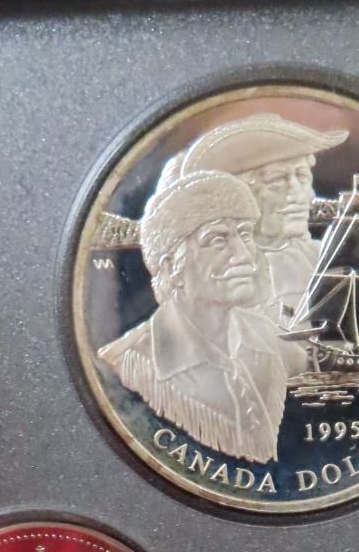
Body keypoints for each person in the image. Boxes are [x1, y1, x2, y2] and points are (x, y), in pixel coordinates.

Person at [97, 169, 299, 464]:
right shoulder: (124, 365)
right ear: (172, 267)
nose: (244, 255)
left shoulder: (271, 337)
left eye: (245, 234)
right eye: (217, 240)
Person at [171, 111, 348, 322]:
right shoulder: (212, 273)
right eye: (277, 180)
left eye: (302, 177)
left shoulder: (326, 258)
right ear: (239, 196)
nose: (299, 194)